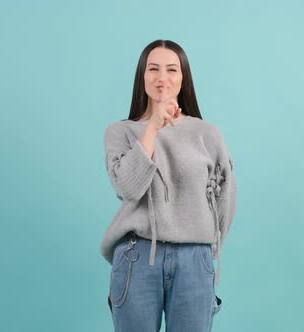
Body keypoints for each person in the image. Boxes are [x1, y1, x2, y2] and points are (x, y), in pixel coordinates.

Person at [101, 39, 237, 332]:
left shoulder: (207, 134)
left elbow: (225, 199)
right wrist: (152, 128)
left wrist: (205, 251)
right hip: (136, 258)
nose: (162, 77)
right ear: (142, 76)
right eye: (153, 69)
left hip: (194, 258)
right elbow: (128, 187)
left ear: (183, 78)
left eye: (172, 69)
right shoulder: (120, 132)